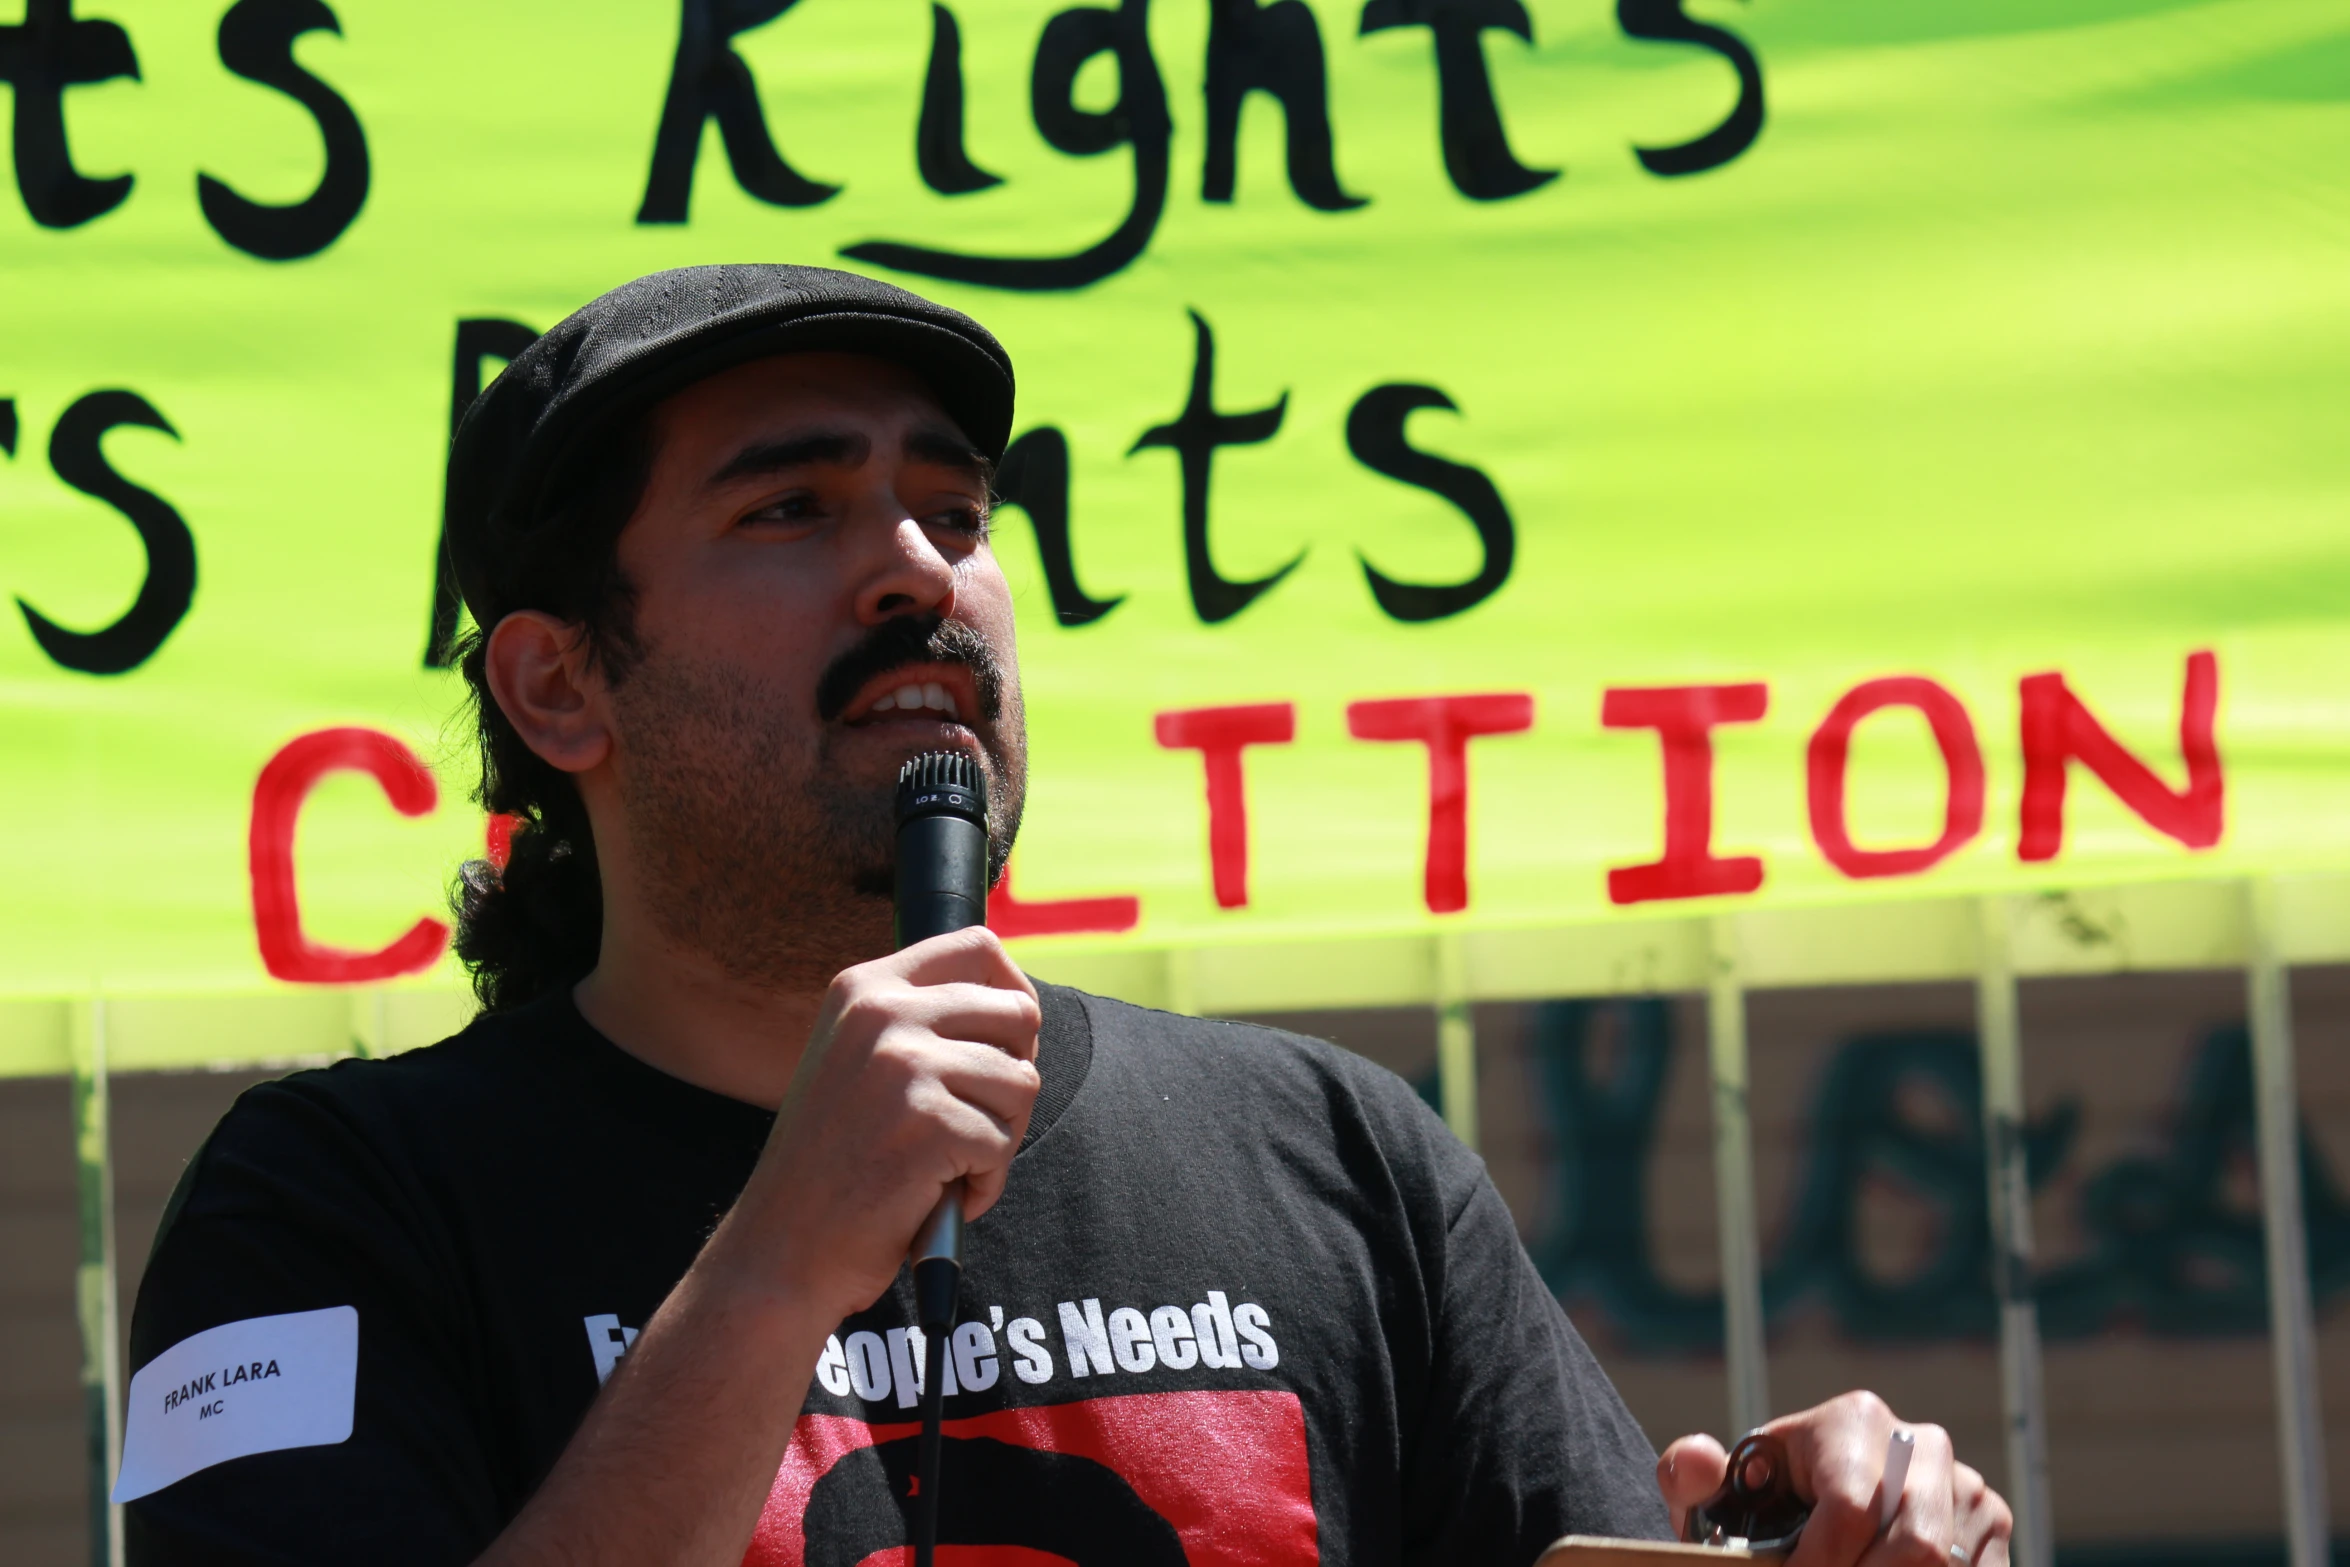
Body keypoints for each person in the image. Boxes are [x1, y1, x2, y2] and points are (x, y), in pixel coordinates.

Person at [121, 265, 2013, 1567]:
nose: (914, 567)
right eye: (791, 512)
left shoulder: (1333, 1153)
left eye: (955, 509)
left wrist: (1839, 1525)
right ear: (556, 689)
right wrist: (777, 1264)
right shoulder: (327, 1207)